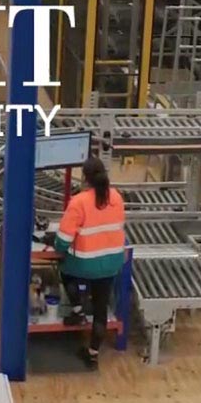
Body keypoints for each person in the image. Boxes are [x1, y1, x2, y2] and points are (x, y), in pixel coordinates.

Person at [52, 157, 126, 369]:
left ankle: (77, 311)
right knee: (101, 309)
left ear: (85, 178)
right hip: (112, 262)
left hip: (84, 263)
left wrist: (55, 242)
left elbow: (63, 240)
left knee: (64, 271)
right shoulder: (116, 197)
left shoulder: (79, 202)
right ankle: (93, 354)